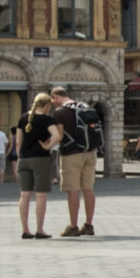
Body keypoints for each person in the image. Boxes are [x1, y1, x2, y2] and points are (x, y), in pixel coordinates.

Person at [51, 87, 100, 237]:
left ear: (56, 96)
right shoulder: (85, 107)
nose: (53, 103)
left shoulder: (60, 112)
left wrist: (47, 143)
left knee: (73, 190)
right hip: (90, 152)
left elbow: (59, 135)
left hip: (71, 154)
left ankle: (73, 226)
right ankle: (89, 225)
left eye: (53, 100)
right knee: (88, 189)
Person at [16, 94, 62, 240]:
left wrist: (20, 156)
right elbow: (58, 136)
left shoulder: (23, 118)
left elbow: (18, 142)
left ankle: (25, 230)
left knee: (24, 195)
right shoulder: (47, 120)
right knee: (40, 195)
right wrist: (47, 146)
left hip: (24, 159)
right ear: (47, 105)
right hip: (41, 159)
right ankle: (39, 230)